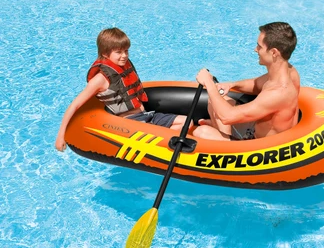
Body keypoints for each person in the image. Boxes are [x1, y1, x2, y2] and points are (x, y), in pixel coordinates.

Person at [55, 27, 188, 151]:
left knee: (187, 122)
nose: (124, 55)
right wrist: (61, 136)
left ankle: (164, 145)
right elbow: (75, 105)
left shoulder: (124, 67)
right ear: (105, 53)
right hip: (132, 123)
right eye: (118, 52)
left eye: (126, 51)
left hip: (146, 115)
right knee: (175, 133)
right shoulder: (100, 79)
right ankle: (163, 147)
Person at [193, 22, 300, 141]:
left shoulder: (278, 93)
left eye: (259, 46)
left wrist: (208, 82)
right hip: (255, 131)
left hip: (262, 147)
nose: (255, 49)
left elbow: (227, 117)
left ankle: (222, 138)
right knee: (216, 101)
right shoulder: (289, 72)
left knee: (201, 132)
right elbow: (257, 84)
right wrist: (232, 85)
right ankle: (222, 132)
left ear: (274, 52)